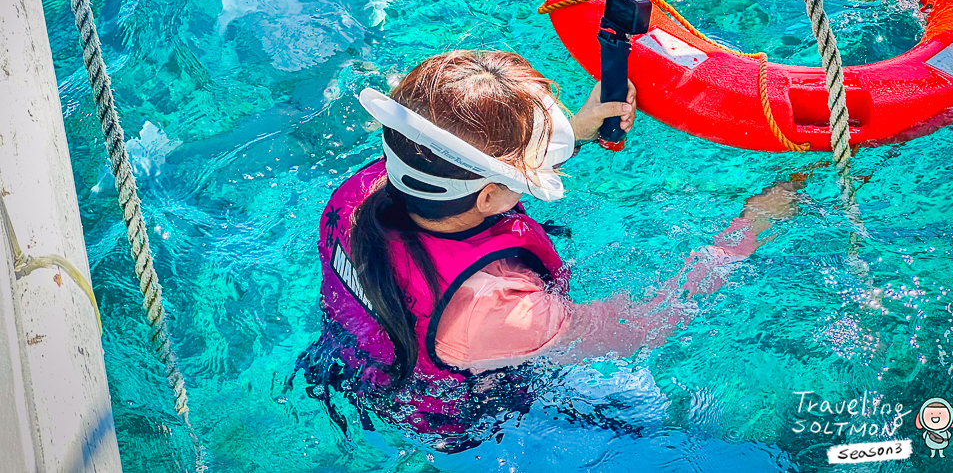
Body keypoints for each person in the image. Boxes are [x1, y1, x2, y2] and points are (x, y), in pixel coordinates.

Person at [296, 49, 801, 446]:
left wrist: (575, 132)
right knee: (652, 408)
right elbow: (647, 326)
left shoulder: (366, 189)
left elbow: (458, 156)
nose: (542, 174)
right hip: (460, 425)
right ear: (491, 195)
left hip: (354, 364)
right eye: (531, 172)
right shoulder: (500, 309)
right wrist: (748, 230)